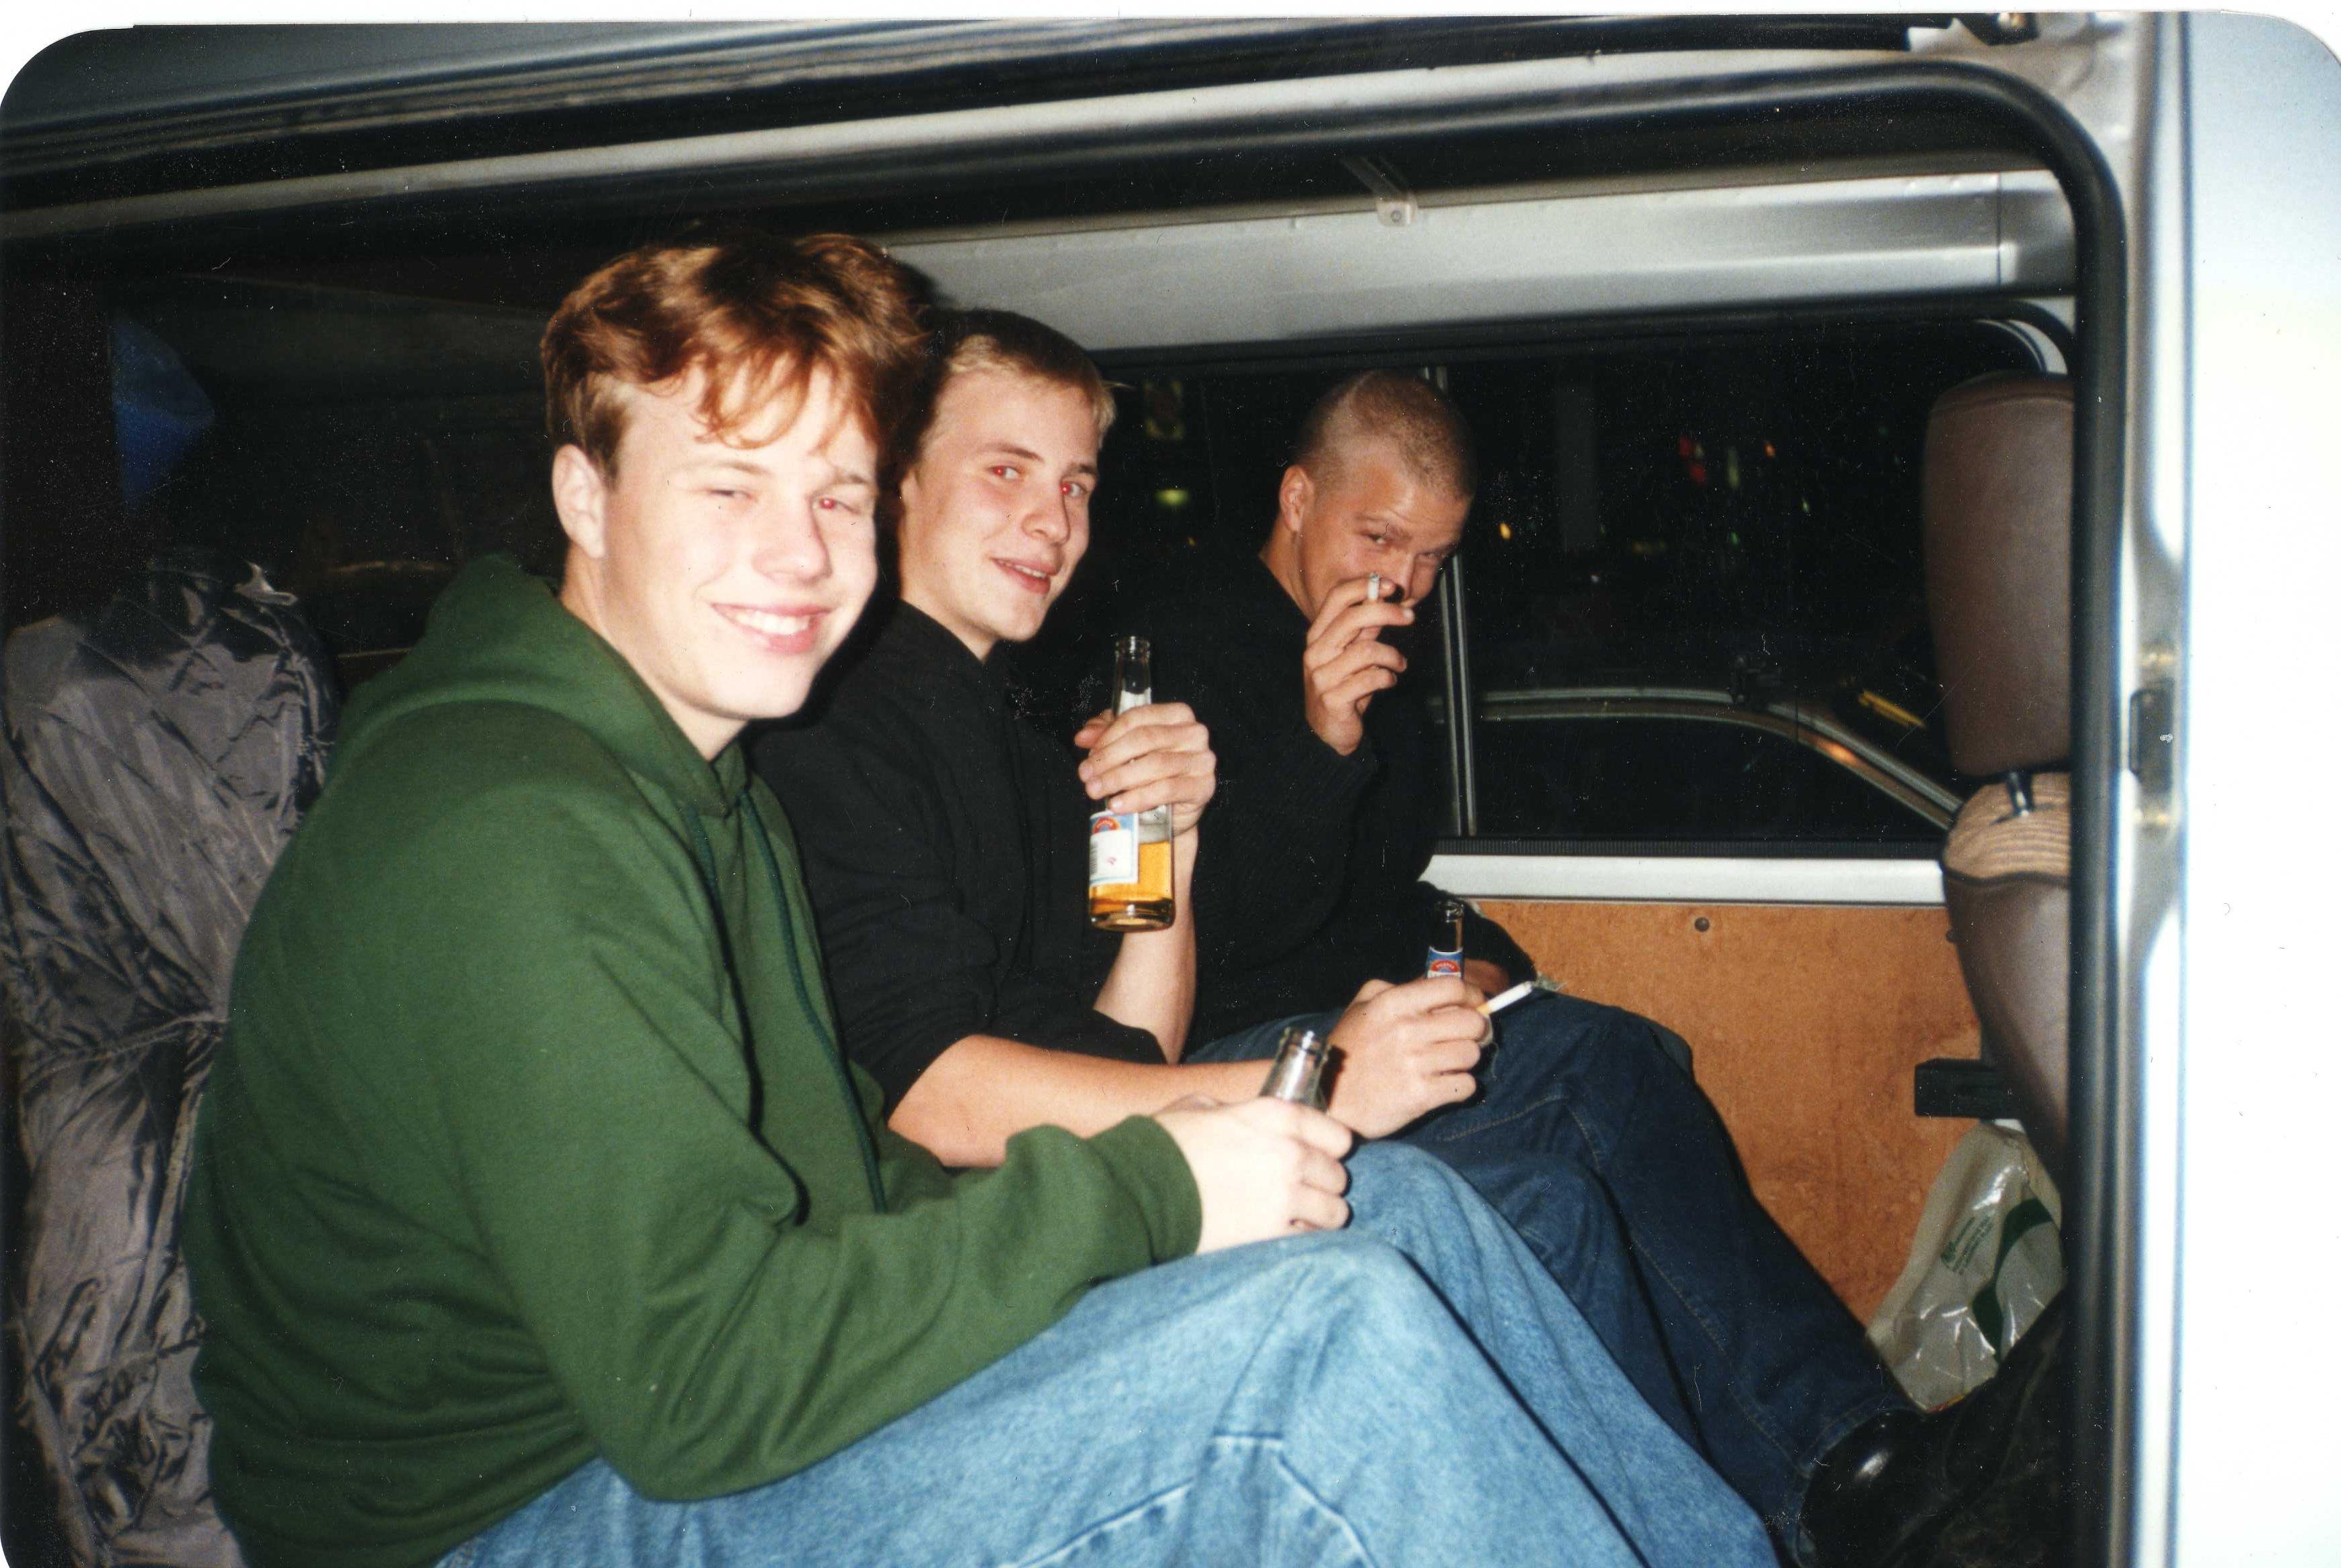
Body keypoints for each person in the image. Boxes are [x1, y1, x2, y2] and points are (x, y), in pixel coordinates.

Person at [178, 232, 1774, 1568]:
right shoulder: (520, 824)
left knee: (1395, 1216)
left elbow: (1012, 1099)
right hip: (506, 1510)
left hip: (681, 1405)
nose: (797, 554)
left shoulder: (716, 777)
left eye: (831, 493)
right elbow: (705, 1379)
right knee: (1320, 1342)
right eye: (729, 488)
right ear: (586, 499)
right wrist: (1169, 1179)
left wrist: (1162, 852)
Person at [762, 323, 2039, 1568]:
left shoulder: (1005, 716)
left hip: (1161, 1098)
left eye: (1077, 484)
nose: (1051, 521)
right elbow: (970, 1075)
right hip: (1108, 1148)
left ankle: (1748, 1521)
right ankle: (1852, 1479)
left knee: (1564, 1170)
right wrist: (1310, 1048)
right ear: (894, 479)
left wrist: (1443, 943)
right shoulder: (961, 693)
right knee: (1590, 1075)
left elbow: (1172, 1001)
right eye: (1007, 471)